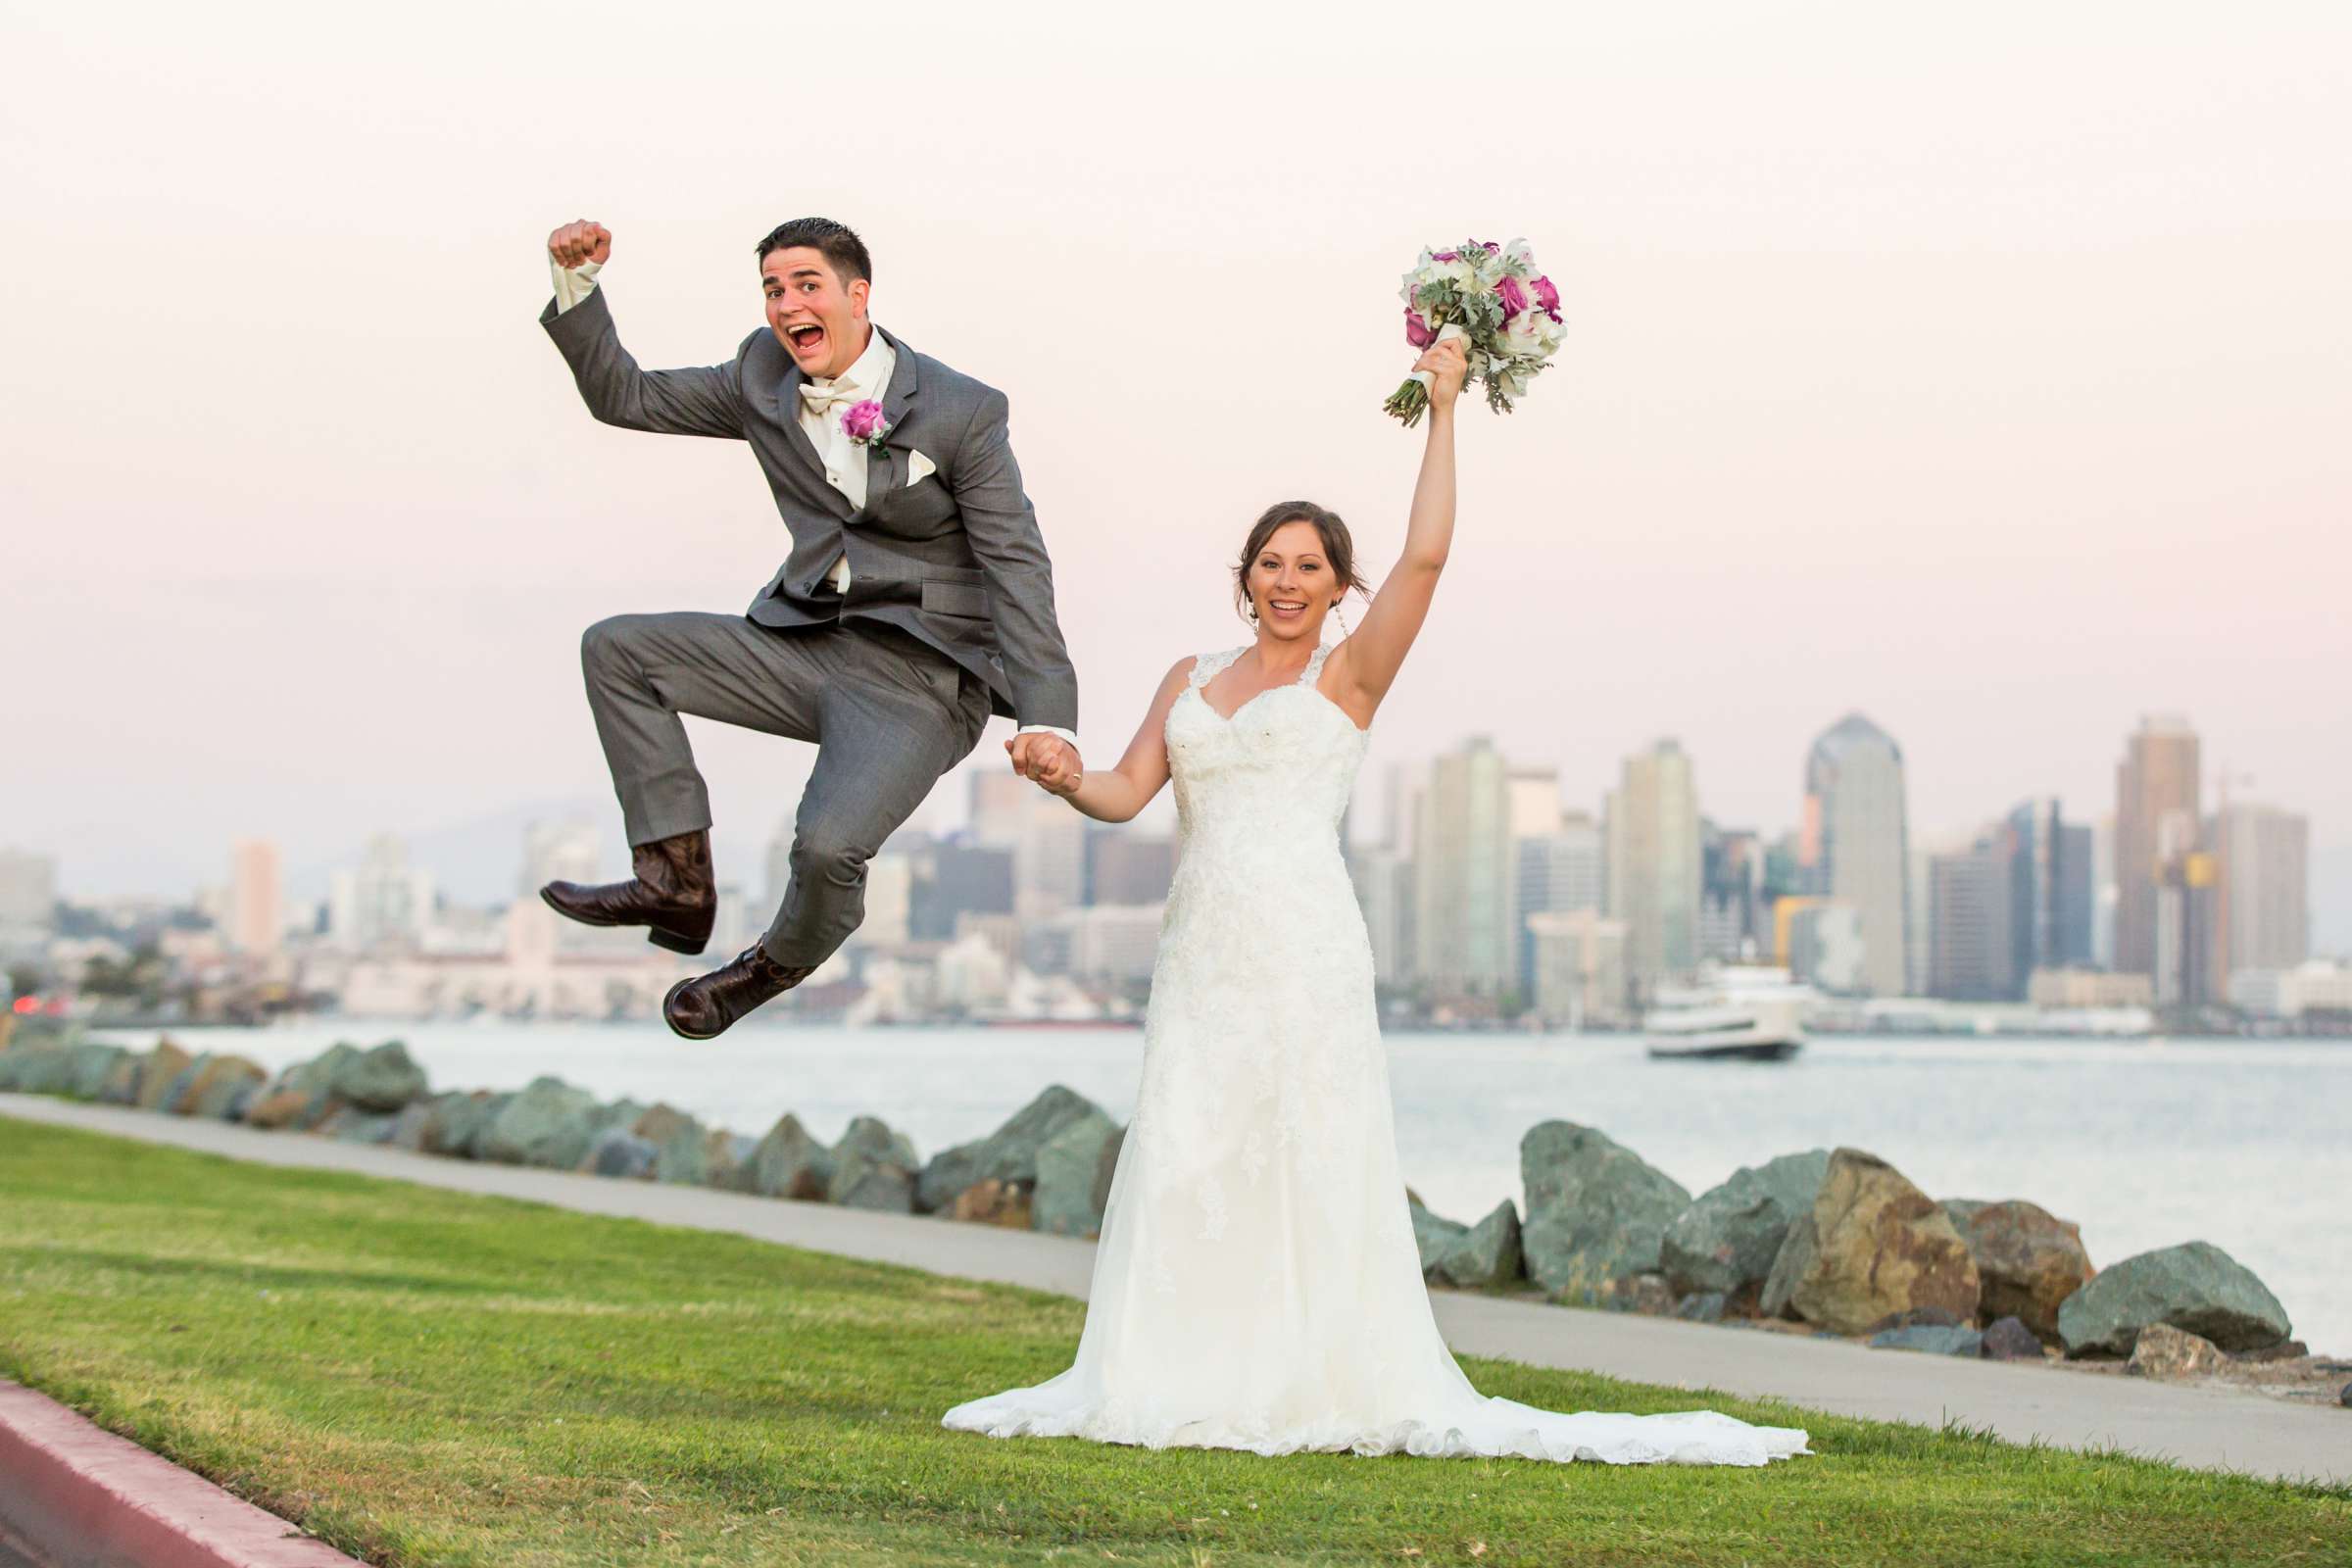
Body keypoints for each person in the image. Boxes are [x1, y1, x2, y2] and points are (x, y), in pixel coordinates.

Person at [946, 337, 1809, 1465]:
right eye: (1271, 561)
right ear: (1244, 575)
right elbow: (1123, 791)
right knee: (1195, 1149)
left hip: (1305, 946)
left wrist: (1445, 406)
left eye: (1311, 566)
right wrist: (1065, 779)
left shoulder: (1349, 675)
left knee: (1305, 1153)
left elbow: (1429, 558)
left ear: (1337, 586)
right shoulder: (1186, 679)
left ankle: (1310, 1369)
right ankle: (1176, 1366)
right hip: (1204, 952)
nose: (1288, 581)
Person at [534, 218, 1080, 1040]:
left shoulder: (962, 411)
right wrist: (576, 283)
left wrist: (1048, 716)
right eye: (772, 289)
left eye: (806, 285)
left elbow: (1017, 564)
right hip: (806, 643)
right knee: (619, 648)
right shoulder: (762, 374)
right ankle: (675, 879)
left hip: (923, 681)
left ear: (858, 296)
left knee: (826, 848)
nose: (787, 304)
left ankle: (766, 969)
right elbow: (628, 397)